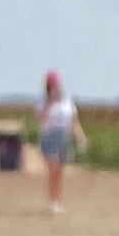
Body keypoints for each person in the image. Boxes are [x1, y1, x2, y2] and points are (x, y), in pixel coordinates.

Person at [36, 71, 83, 211]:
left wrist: (79, 136)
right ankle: (52, 200)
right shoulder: (42, 101)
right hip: (50, 135)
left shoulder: (67, 101)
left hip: (64, 136)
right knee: (52, 170)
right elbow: (41, 119)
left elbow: (73, 121)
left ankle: (57, 199)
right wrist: (50, 103)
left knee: (60, 172)